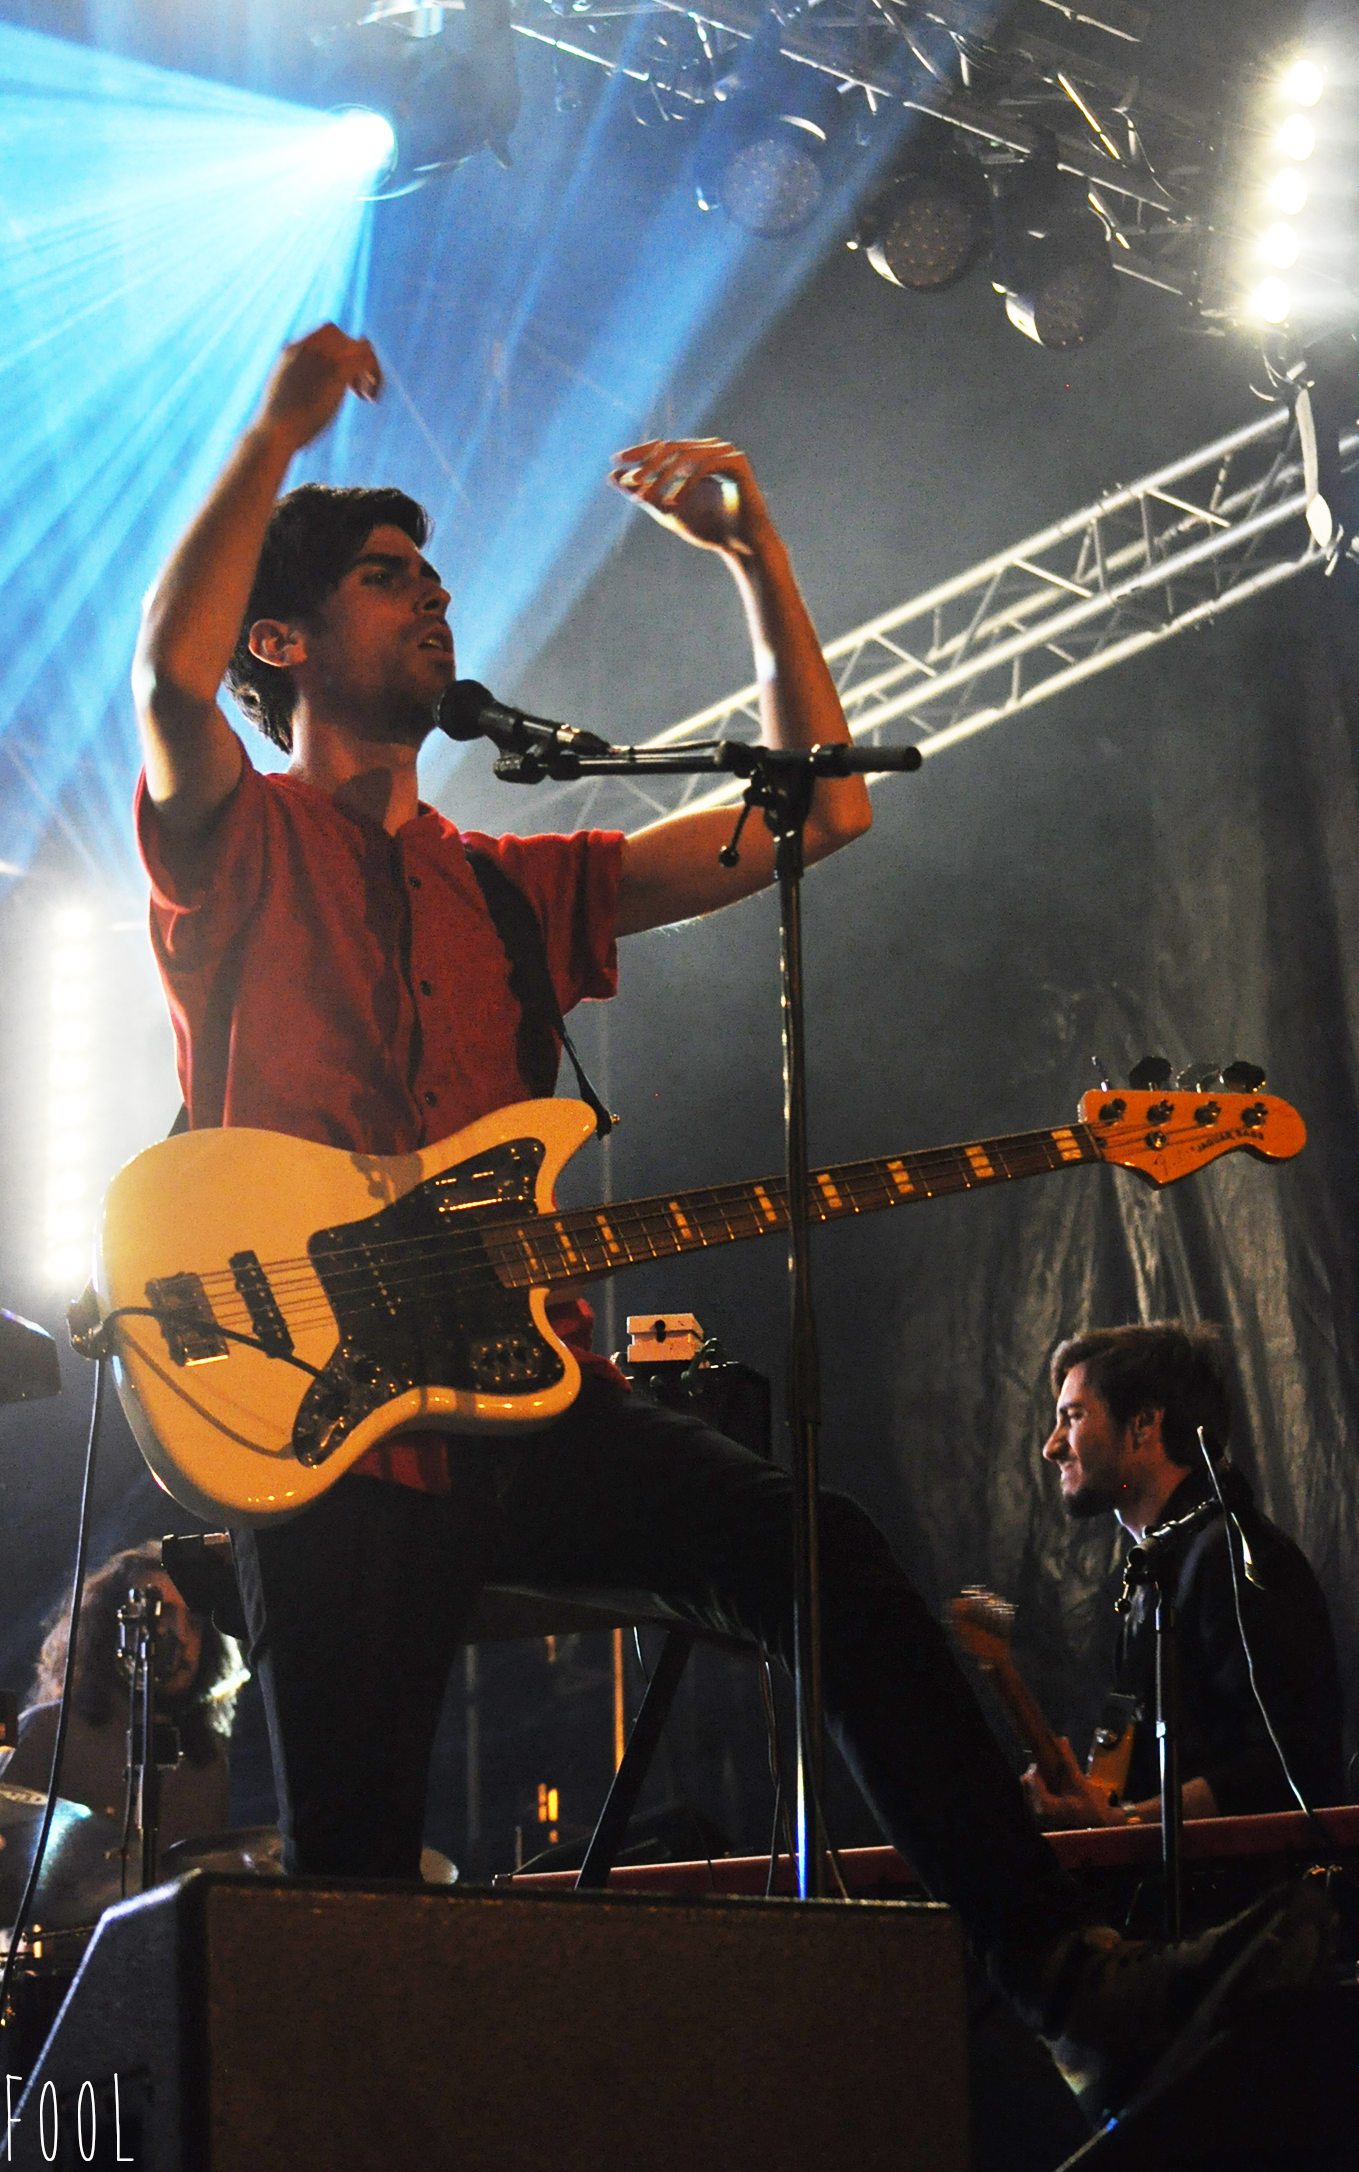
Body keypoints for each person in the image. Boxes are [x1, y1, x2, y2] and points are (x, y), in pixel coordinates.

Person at [130, 321, 1331, 2115]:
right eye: (387, 576)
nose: (434, 595)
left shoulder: (513, 888)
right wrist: (275, 429)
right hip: (322, 1422)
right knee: (355, 1890)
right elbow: (165, 673)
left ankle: (1068, 1983)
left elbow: (817, 813)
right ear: (284, 642)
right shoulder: (240, 838)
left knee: (818, 1552)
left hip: (526, 1400)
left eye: (434, 576)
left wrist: (757, 558)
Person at [1026, 1322, 1345, 1829]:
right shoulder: (1154, 1570)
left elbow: (1288, 1766)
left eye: (1074, 1416)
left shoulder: (1236, 1557)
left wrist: (1128, 1824)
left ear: (1144, 1424)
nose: (1052, 1446)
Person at [0, 1542, 249, 1858]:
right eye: (159, 1615)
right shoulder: (45, 1731)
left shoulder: (208, 1761)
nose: (179, 1635)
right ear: (111, 1627)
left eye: (194, 1622)